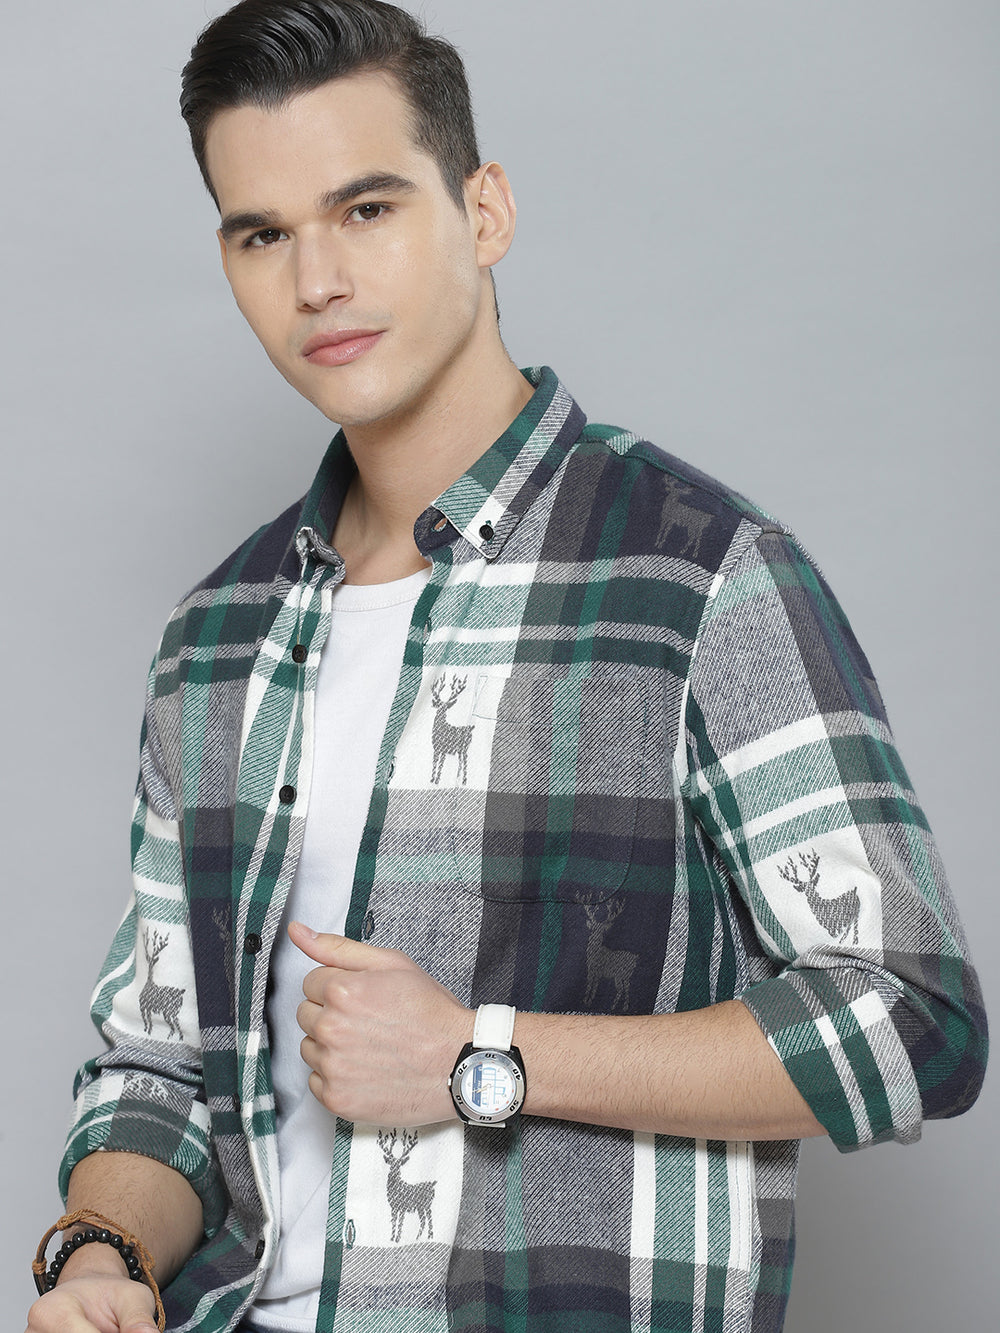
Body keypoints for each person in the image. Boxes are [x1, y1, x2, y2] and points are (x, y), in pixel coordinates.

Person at [25, 2, 987, 1331]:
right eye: (263, 234)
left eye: (366, 209)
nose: (316, 281)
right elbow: (161, 1068)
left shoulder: (695, 577)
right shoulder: (218, 639)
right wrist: (102, 1256)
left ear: (484, 212)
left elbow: (915, 1021)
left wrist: (483, 1056)